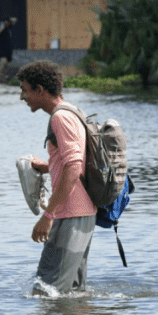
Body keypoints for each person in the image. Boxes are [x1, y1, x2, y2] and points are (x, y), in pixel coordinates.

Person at [17, 60, 97, 295]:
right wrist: (44, 167)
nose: (22, 96)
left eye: (24, 89)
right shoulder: (72, 112)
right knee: (73, 294)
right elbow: (69, 162)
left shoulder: (60, 118)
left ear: (39, 90)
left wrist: (48, 216)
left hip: (70, 215)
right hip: (82, 213)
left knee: (45, 293)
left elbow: (74, 167)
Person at [0, 17, 18, 83]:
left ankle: (4, 78)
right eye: (6, 22)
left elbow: (15, 20)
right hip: (1, 47)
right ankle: (0, 76)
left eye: (8, 22)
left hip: (8, 48)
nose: (7, 23)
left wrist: (11, 20)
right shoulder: (0, 27)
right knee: (3, 61)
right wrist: (1, 29)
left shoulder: (8, 27)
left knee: (6, 63)